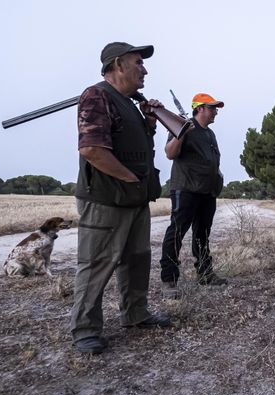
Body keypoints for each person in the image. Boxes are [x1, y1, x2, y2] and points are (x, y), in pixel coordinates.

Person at [69, 42, 173, 355]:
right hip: (106, 198)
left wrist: (150, 123)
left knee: (137, 259)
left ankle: (136, 314)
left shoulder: (129, 103)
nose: (145, 69)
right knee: (97, 263)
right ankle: (85, 330)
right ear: (118, 65)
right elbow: (92, 150)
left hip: (134, 199)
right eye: (138, 62)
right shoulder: (97, 95)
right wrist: (129, 178)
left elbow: (133, 145)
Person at [159, 93, 227, 298]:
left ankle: (205, 274)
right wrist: (181, 134)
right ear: (200, 109)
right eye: (212, 107)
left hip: (207, 191)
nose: (216, 111)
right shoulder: (181, 125)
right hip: (186, 189)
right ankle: (169, 280)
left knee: (202, 234)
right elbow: (170, 153)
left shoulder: (210, 133)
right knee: (177, 232)